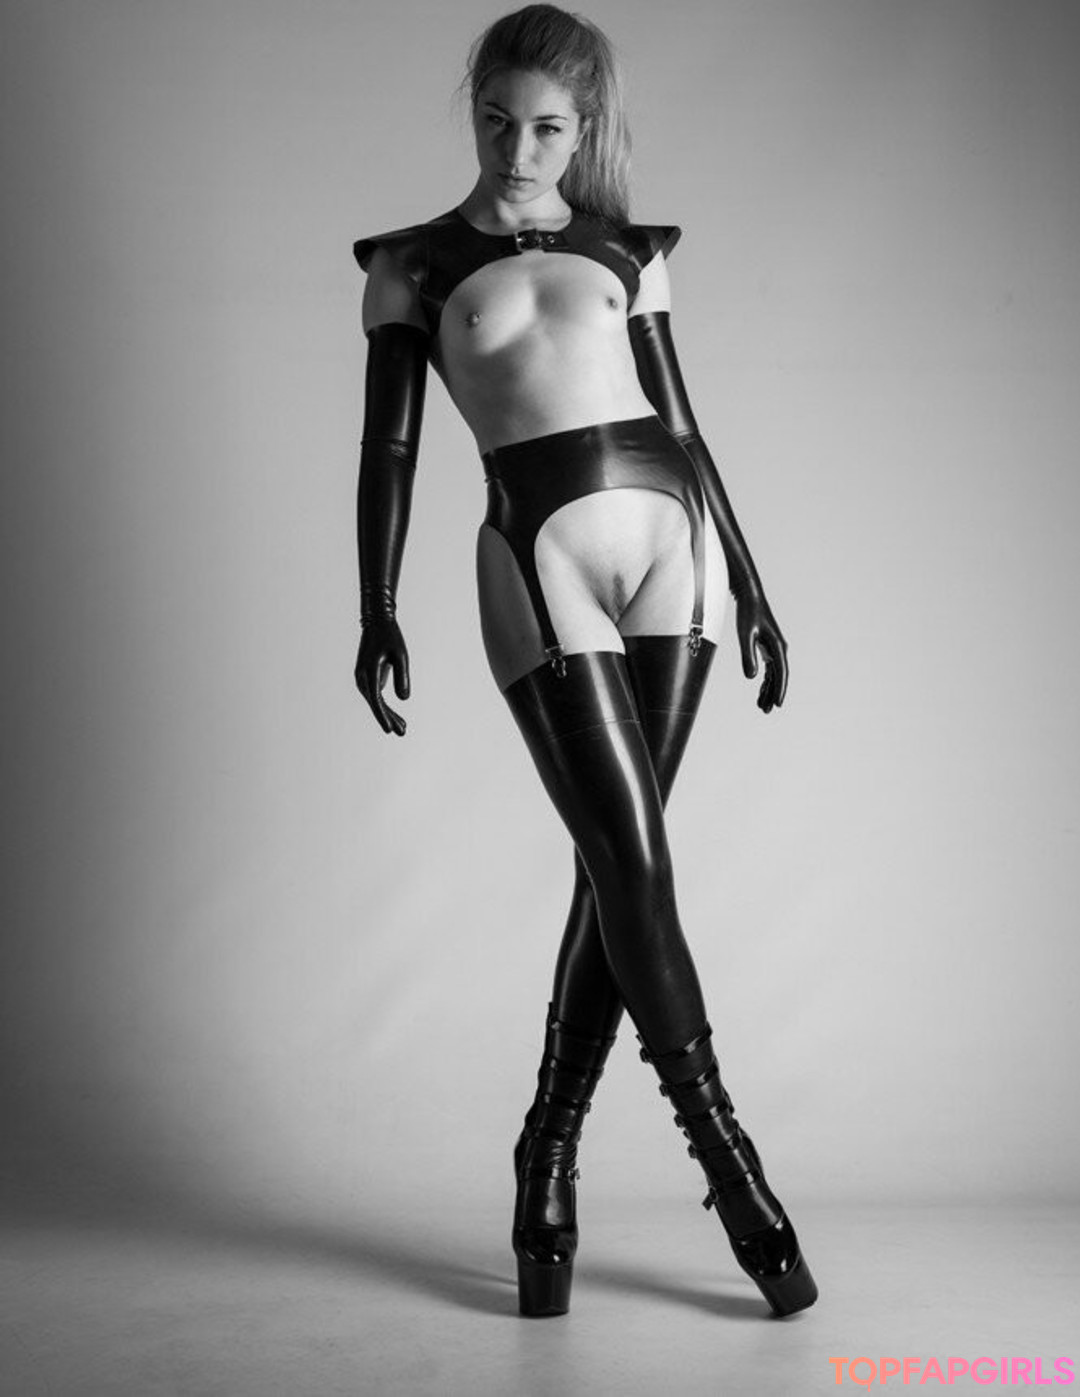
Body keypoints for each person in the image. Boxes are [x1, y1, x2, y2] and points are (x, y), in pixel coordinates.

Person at [351, 3, 816, 1320]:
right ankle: (730, 1166)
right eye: (497, 120)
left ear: (585, 126)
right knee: (635, 863)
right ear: (474, 110)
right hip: (538, 550)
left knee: (621, 866)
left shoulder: (628, 249)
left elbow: (685, 423)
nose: (519, 150)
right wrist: (376, 602)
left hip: (677, 548)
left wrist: (755, 583)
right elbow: (392, 447)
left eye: (548, 128)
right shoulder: (413, 266)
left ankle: (546, 1149)